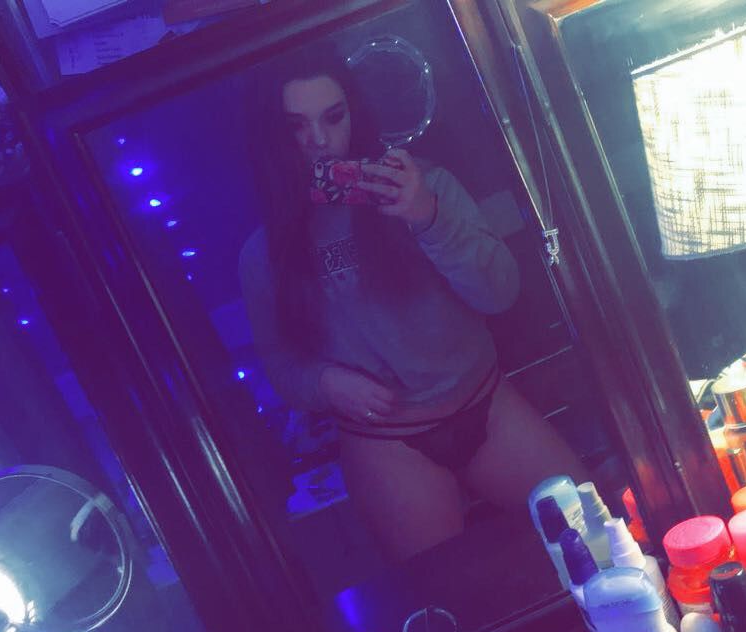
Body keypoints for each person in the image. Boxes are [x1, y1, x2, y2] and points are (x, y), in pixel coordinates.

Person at [239, 51, 586, 563]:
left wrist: (426, 217)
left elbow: (500, 294)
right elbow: (279, 363)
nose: (319, 141)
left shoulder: (425, 184)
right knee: (447, 592)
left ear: (353, 114)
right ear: (273, 136)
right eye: (297, 126)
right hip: (386, 441)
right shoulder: (265, 252)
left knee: (592, 537)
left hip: (485, 402)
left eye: (333, 117)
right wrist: (325, 383)